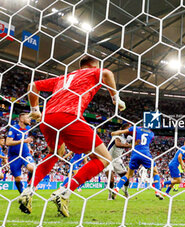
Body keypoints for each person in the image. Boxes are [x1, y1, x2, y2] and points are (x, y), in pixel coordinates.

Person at [18, 55, 126, 217]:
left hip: (47, 118)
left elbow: (32, 86)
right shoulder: (92, 73)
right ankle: (64, 192)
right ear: (94, 65)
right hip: (69, 116)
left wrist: (35, 110)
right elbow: (108, 74)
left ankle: (28, 190)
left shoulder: (63, 77)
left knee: (55, 153)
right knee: (104, 159)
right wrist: (115, 99)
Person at [113, 126, 163, 200]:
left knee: (128, 175)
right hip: (145, 154)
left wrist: (114, 133)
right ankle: (157, 191)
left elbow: (123, 131)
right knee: (155, 173)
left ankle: (117, 188)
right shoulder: (152, 134)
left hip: (135, 153)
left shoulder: (136, 128)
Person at [6, 113, 34, 195]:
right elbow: (8, 142)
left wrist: (29, 147)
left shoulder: (28, 128)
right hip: (14, 156)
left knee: (32, 168)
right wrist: (23, 141)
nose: (30, 119)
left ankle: (30, 182)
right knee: (18, 179)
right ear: (21, 119)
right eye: (28, 118)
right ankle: (22, 194)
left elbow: (25, 140)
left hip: (25, 153)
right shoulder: (13, 129)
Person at [104, 123, 132, 200]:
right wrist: (129, 146)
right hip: (107, 158)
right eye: (128, 128)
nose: (130, 130)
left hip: (117, 159)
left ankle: (125, 191)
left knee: (126, 178)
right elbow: (117, 144)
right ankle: (110, 194)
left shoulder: (128, 138)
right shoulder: (118, 135)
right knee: (111, 179)